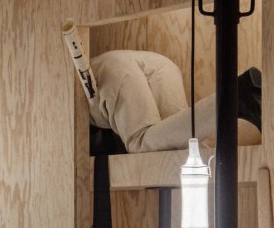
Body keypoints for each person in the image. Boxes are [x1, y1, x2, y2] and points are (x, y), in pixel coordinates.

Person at [88, 50, 261, 154]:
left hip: (115, 71)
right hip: (158, 64)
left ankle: (235, 99)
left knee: (140, 143)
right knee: (179, 147)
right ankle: (254, 116)